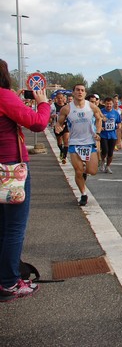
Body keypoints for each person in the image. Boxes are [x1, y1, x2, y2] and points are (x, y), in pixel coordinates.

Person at [0, 59, 51, 302]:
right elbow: (38, 123)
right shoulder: (3, 96)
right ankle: (9, 283)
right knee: (14, 228)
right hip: (10, 169)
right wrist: (42, 104)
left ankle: (4, 277)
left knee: (2, 226)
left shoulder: (7, 98)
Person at [55, 84, 103, 206]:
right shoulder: (66, 109)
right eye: (77, 90)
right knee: (78, 171)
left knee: (92, 171)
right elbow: (59, 123)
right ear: (73, 93)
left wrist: (97, 132)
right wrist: (58, 128)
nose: (80, 92)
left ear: (85, 93)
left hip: (89, 142)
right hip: (74, 143)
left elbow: (99, 119)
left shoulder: (91, 106)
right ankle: (83, 194)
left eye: (82, 90)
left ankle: (84, 173)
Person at [99, 97, 122, 174]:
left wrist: (119, 125)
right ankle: (102, 161)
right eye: (107, 104)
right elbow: (96, 121)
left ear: (112, 104)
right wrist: (100, 127)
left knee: (110, 152)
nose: (109, 105)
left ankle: (108, 166)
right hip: (104, 134)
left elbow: (119, 122)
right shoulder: (101, 112)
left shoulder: (116, 113)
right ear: (104, 104)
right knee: (105, 150)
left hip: (112, 135)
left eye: (110, 104)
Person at [51, 92, 70, 164]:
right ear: (56, 99)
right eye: (58, 98)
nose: (60, 100)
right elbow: (49, 115)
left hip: (65, 125)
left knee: (66, 141)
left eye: (61, 98)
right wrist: (52, 116)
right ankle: (62, 151)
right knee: (59, 141)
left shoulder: (67, 106)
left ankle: (64, 157)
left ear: (64, 98)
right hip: (57, 126)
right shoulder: (53, 106)